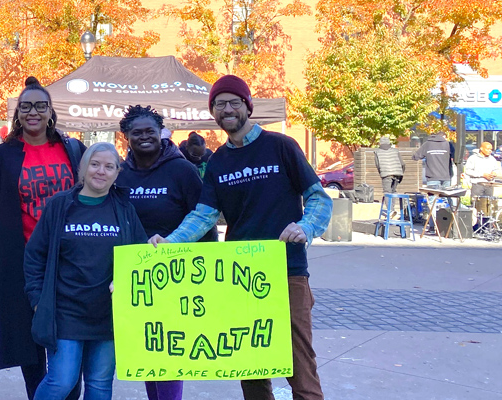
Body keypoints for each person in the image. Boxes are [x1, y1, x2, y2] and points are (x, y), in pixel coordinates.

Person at [148, 75, 331, 400]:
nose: (227, 109)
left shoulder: (281, 146)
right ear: (214, 111)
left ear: (247, 106)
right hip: (239, 277)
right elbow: (203, 215)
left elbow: (319, 198)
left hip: (287, 272)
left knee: (300, 367)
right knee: (251, 370)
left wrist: (306, 227)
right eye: (220, 104)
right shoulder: (218, 160)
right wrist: (171, 242)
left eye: (234, 102)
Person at [0, 77, 85, 400]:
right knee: (30, 354)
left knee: (68, 357)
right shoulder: (1, 157)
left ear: (51, 110)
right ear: (18, 113)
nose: (34, 112)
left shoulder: (71, 149)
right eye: (26, 106)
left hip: (69, 264)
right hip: (22, 265)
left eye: (41, 105)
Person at [23, 142, 148, 400]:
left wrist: (152, 249)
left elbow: (139, 257)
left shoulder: (124, 209)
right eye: (95, 164)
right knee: (61, 381)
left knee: (100, 384)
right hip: (66, 313)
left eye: (109, 166)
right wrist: (38, 301)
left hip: (109, 314)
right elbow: (35, 255)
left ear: (116, 173)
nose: (101, 171)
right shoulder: (60, 205)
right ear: (83, 168)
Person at [114, 105, 216, 400]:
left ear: (161, 133)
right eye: (137, 133)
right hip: (136, 274)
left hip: (178, 275)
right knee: (148, 346)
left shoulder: (182, 169)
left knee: (171, 350)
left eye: (150, 131)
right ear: (126, 137)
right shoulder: (120, 174)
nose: (144, 137)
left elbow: (203, 219)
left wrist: (207, 267)